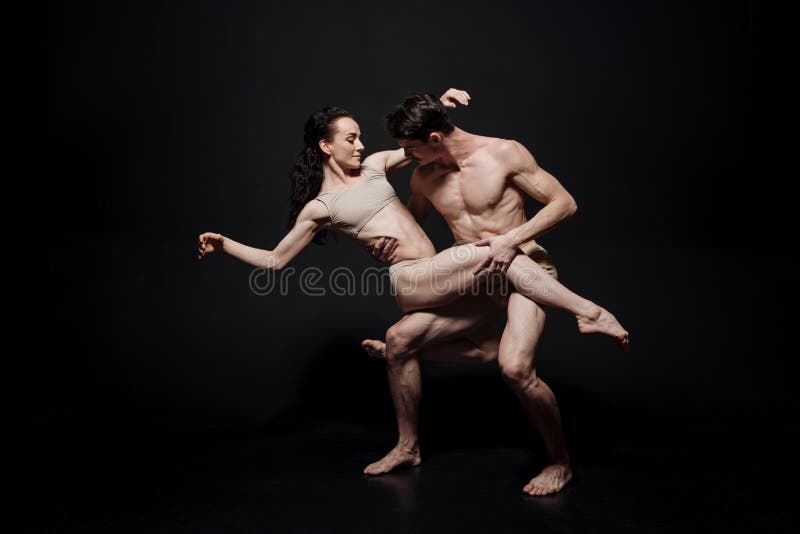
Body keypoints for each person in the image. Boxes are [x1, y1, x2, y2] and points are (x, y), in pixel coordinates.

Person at [197, 93, 629, 491]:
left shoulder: (406, 164)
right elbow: (281, 258)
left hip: (511, 267)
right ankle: (584, 313)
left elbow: (424, 143)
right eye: (352, 138)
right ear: (326, 147)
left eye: (363, 137)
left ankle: (548, 451)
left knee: (470, 353)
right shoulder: (356, 197)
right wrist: (227, 243)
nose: (364, 145)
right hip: (448, 272)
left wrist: (437, 106)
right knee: (461, 281)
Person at [361, 92, 608, 495]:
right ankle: (408, 447)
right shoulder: (424, 176)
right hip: (478, 276)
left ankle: (559, 462)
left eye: (409, 148)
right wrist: (384, 245)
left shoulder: (504, 153)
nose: (404, 155)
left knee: (514, 369)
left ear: (435, 138)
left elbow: (564, 203)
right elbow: (411, 230)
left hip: (526, 268)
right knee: (399, 339)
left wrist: (511, 239)